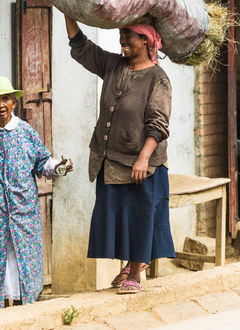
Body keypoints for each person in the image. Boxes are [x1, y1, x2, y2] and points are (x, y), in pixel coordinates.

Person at [65, 16, 175, 294]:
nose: (123, 42)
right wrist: (68, 13)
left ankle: (135, 273)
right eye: (121, 36)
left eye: (130, 37)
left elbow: (158, 123)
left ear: (146, 40)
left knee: (140, 215)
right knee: (119, 214)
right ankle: (130, 264)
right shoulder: (114, 65)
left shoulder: (157, 78)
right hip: (110, 158)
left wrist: (144, 157)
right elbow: (82, 48)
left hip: (142, 163)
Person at [0, 76, 73, 310]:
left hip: (23, 216)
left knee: (23, 269)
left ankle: (23, 316)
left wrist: (59, 167)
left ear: (13, 103)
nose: (0, 105)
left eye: (5, 99)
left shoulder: (26, 132)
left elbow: (42, 163)